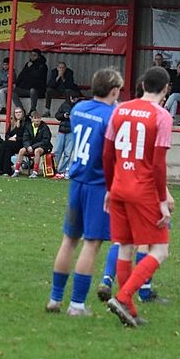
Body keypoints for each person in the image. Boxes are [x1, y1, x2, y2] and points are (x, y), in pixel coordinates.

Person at [46, 68, 123, 316]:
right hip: (98, 184)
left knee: (69, 240)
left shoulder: (79, 109)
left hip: (76, 181)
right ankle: (77, 305)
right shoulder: (112, 116)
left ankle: (55, 299)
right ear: (114, 91)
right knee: (91, 243)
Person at [103, 66, 175, 327]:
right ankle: (123, 297)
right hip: (143, 190)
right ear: (166, 89)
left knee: (125, 246)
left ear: (143, 84)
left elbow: (107, 154)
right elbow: (158, 164)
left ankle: (130, 311)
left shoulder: (120, 109)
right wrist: (162, 201)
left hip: (119, 187)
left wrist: (110, 188)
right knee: (160, 249)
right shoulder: (162, 116)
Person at [13, 110, 52, 178]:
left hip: (43, 147)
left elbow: (45, 140)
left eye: (38, 118)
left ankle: (35, 172)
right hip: (30, 146)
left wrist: (33, 147)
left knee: (37, 151)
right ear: (32, 119)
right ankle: (16, 171)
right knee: (22, 150)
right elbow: (25, 139)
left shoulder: (44, 127)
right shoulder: (28, 127)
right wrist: (28, 146)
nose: (37, 120)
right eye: (35, 118)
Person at [0, 107, 30, 175]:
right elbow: (7, 135)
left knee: (6, 144)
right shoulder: (13, 122)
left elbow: (26, 137)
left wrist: (16, 138)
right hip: (11, 143)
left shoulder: (27, 123)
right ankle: (6, 171)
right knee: (7, 147)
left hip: (22, 143)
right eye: (16, 112)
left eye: (19, 112)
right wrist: (10, 137)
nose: (18, 114)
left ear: (23, 113)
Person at [51, 95, 81, 179]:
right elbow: (57, 115)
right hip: (62, 131)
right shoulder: (64, 105)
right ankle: (53, 169)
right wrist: (64, 116)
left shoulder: (79, 106)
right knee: (57, 151)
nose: (74, 99)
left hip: (71, 131)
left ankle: (61, 171)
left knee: (68, 153)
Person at [13, 49, 48, 113]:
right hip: (26, 89)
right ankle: (21, 109)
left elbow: (37, 76)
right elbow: (22, 74)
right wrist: (16, 84)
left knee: (33, 90)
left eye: (34, 55)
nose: (32, 57)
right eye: (31, 55)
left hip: (37, 90)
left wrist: (30, 68)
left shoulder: (43, 66)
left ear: (39, 56)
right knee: (12, 91)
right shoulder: (28, 64)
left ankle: (33, 109)